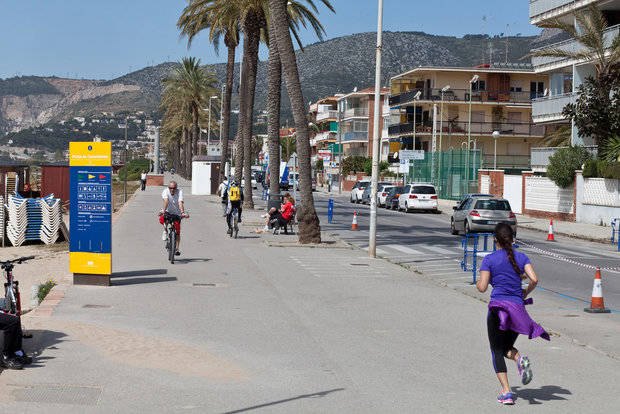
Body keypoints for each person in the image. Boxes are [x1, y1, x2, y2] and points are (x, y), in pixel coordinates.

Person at [476, 223, 550, 405]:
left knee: (496, 350)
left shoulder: (489, 259)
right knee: (506, 347)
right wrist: (525, 292)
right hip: (518, 311)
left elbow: (483, 288)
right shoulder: (522, 257)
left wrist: (479, 281)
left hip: (498, 310)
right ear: (512, 238)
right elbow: (535, 279)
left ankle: (507, 392)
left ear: (495, 239)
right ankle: (519, 358)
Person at [158, 181, 188, 255]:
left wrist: (182, 212)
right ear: (168, 188)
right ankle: (165, 231)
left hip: (177, 213)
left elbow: (180, 202)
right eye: (170, 188)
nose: (172, 190)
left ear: (176, 188)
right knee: (163, 219)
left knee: (177, 232)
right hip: (167, 211)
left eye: (174, 188)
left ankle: (177, 249)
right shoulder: (165, 191)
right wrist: (163, 211)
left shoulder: (179, 192)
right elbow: (166, 201)